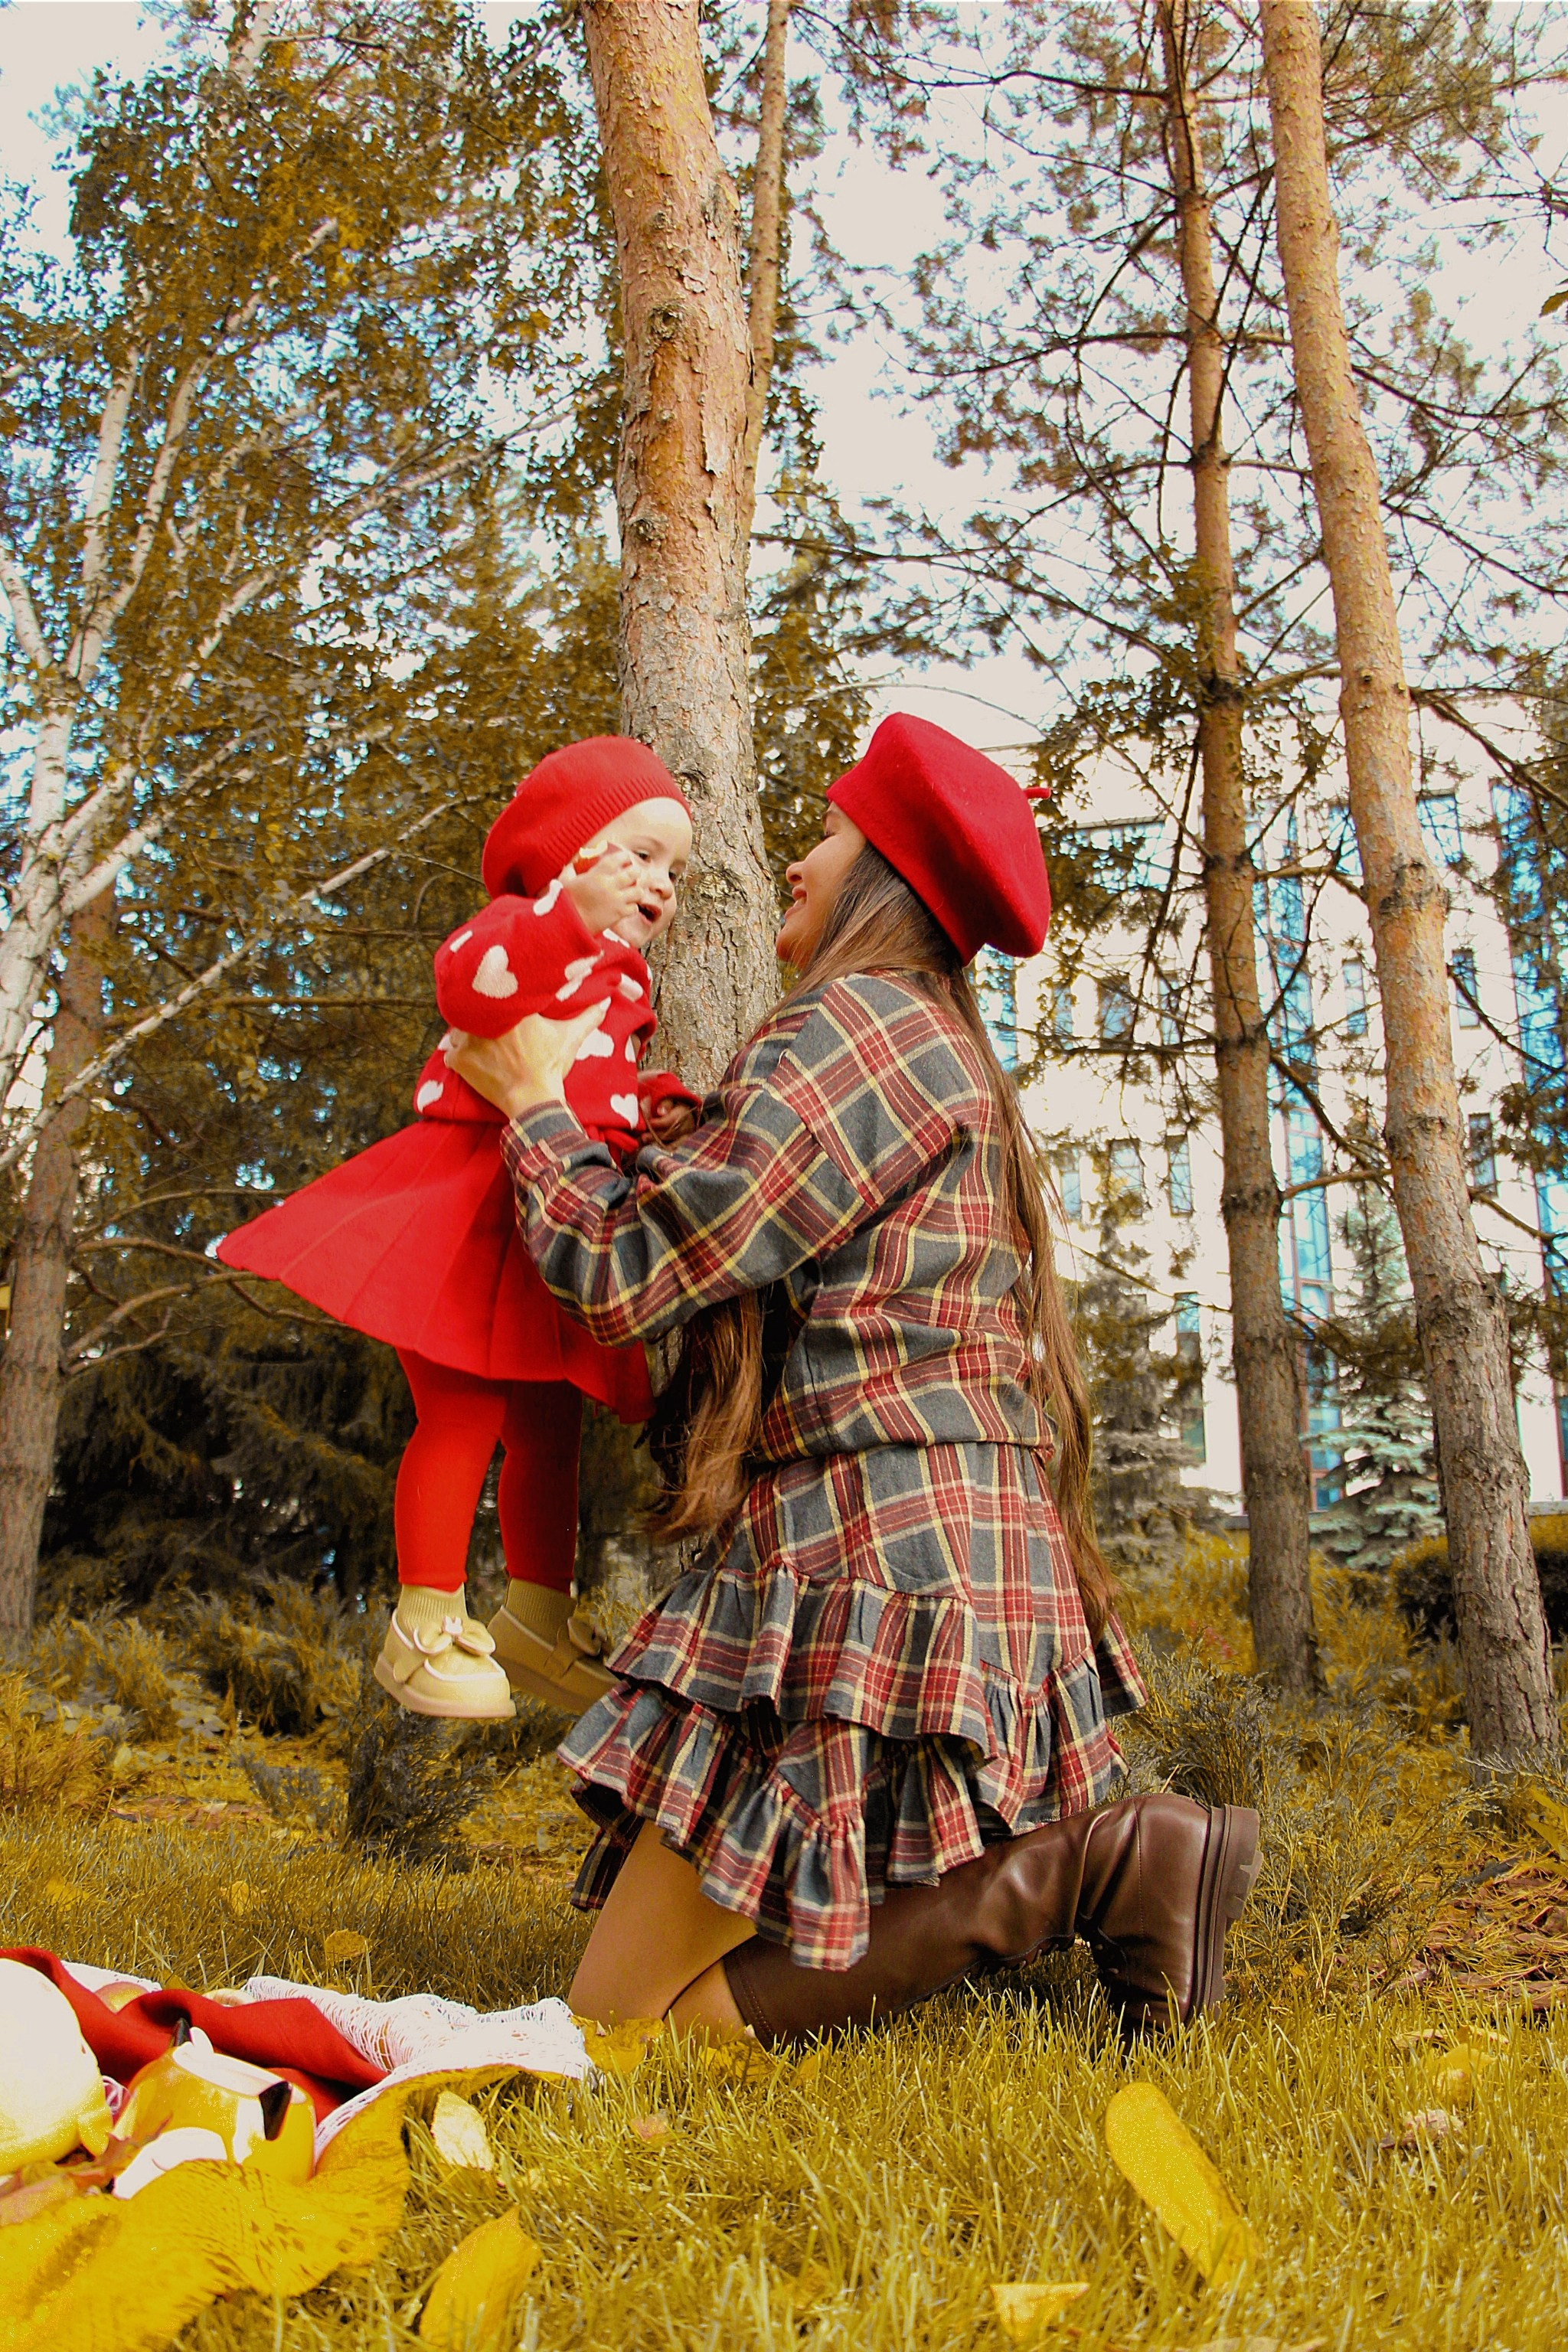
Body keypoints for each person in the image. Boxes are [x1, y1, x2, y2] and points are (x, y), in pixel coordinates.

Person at [448, 713, 1259, 2042]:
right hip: (928, 1531)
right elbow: (738, 1204)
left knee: (613, 2039)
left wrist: (536, 1104)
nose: (797, 858)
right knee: (620, 2020)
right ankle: (1113, 1867)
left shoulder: (859, 1030)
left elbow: (625, 1269)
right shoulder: (918, 1039)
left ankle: (1101, 1868)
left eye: (826, 831)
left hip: (865, 1554)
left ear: (881, 870)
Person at [217, 738, 700, 1723]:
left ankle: (534, 1618)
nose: (656, 883)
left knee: (549, 1429)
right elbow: (469, 986)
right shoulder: (518, 928)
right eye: (636, 854)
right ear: (564, 854)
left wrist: (655, 1106)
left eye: (672, 872)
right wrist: (562, 917)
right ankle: (423, 1622)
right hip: (468, 1211)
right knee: (462, 1415)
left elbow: (591, 1082)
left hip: (548, 1223)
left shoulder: (622, 980)